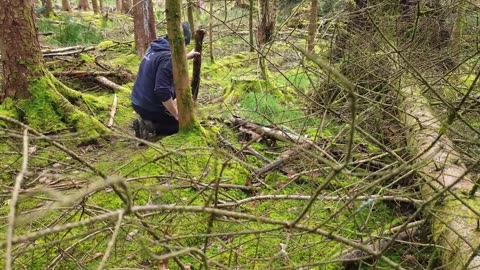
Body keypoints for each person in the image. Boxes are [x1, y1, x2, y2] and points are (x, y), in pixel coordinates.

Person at [131, 22, 199, 139]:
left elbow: (169, 59)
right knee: (180, 126)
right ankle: (148, 127)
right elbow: (161, 90)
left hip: (137, 101)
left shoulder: (155, 47)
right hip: (150, 106)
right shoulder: (168, 58)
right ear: (180, 43)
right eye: (184, 45)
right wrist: (176, 114)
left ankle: (149, 119)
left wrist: (186, 56)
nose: (184, 48)